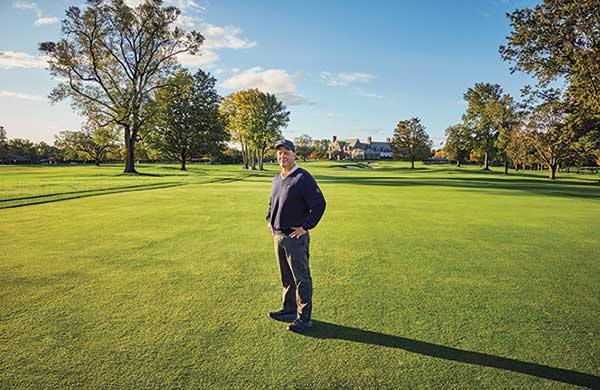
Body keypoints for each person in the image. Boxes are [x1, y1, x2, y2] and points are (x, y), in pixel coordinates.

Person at [266, 139, 326, 333]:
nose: (282, 156)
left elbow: (319, 204)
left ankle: (304, 318)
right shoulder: (277, 178)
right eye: (279, 153)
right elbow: (272, 201)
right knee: (286, 277)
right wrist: (270, 219)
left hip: (295, 237)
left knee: (301, 278)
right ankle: (289, 309)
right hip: (278, 235)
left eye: (286, 152)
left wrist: (305, 227)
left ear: (294, 155)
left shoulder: (303, 177)